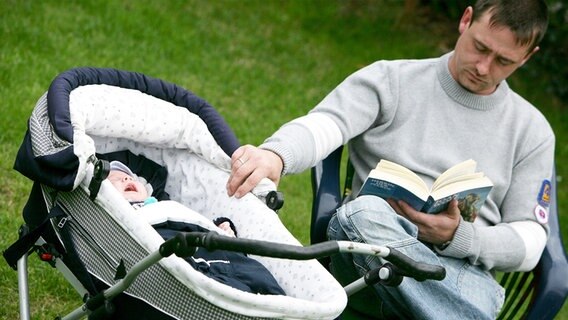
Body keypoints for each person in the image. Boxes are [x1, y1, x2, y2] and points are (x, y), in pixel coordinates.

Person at [226, 0, 553, 318]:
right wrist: (276, 154)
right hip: (367, 256)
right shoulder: (392, 80)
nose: (484, 68)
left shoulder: (531, 131)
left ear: (527, 57)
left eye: (503, 61)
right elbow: (326, 124)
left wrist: (458, 237)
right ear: (466, 20)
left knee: (368, 222)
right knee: (365, 215)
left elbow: (532, 240)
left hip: (457, 270)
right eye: (480, 48)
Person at [108, 161, 285, 295]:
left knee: (262, 279)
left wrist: (221, 228)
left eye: (130, 177)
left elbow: (195, 221)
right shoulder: (126, 216)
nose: (126, 178)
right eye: (115, 179)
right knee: (231, 294)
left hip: (223, 251)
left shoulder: (166, 205)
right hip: (185, 253)